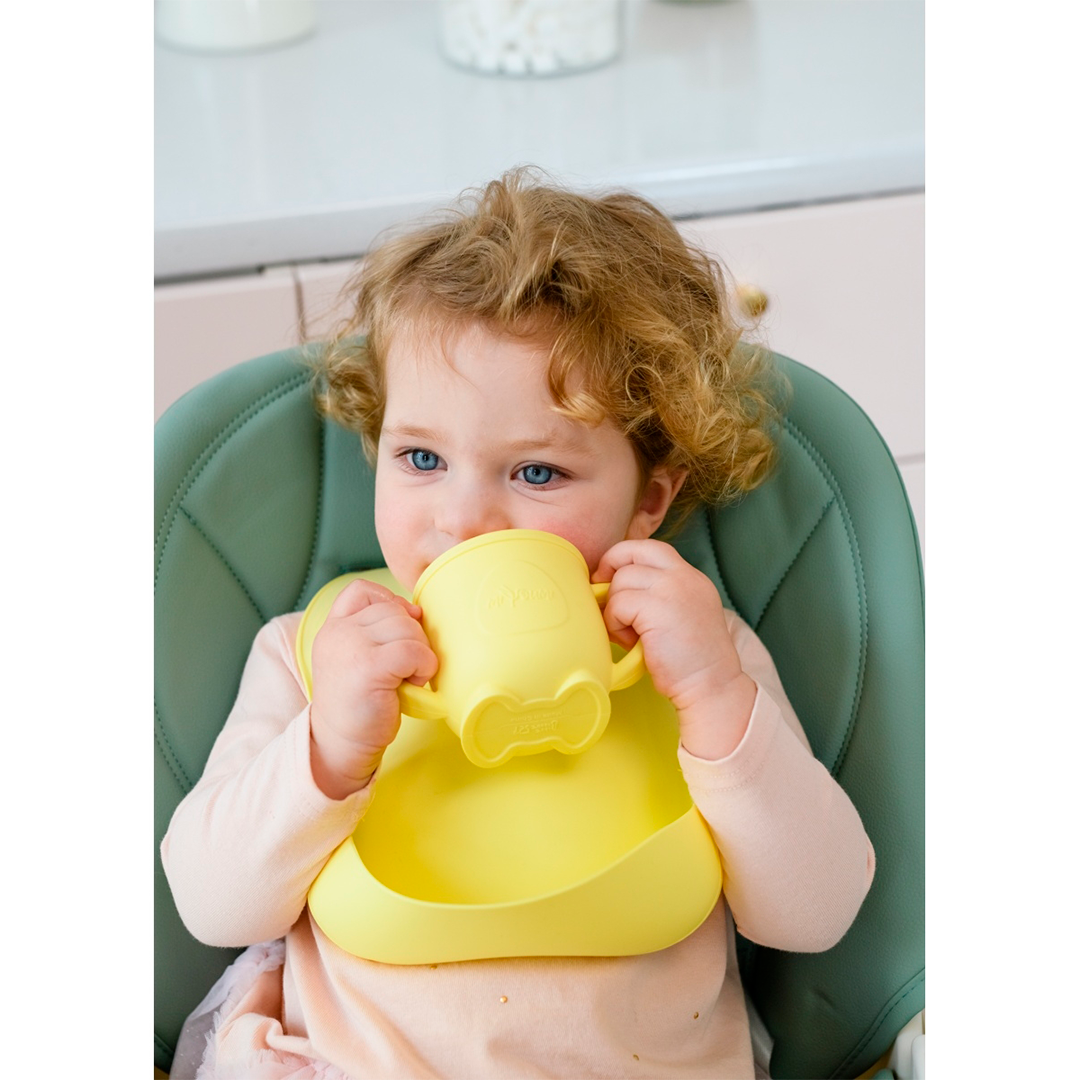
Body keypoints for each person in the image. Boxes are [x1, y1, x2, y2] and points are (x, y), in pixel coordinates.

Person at [162, 168, 874, 1079]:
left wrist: (715, 700)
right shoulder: (314, 652)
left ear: (649, 502)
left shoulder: (701, 652)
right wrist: (328, 749)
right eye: (421, 458)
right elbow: (211, 908)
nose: (463, 519)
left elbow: (816, 916)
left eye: (537, 473)